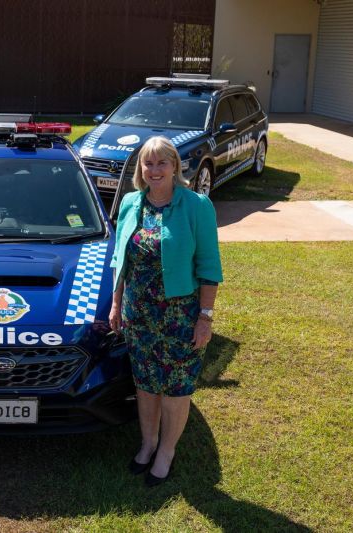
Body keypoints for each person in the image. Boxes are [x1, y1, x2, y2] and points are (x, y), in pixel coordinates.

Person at [109, 136, 222, 486]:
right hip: (139, 313)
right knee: (145, 383)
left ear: (175, 165)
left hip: (179, 316)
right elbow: (120, 261)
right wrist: (116, 303)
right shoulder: (131, 203)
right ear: (141, 170)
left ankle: (167, 452)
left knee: (175, 387)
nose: (154, 170)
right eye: (148, 163)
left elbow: (209, 266)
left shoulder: (196, 205)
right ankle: (148, 443)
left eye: (162, 163)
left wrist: (205, 318)